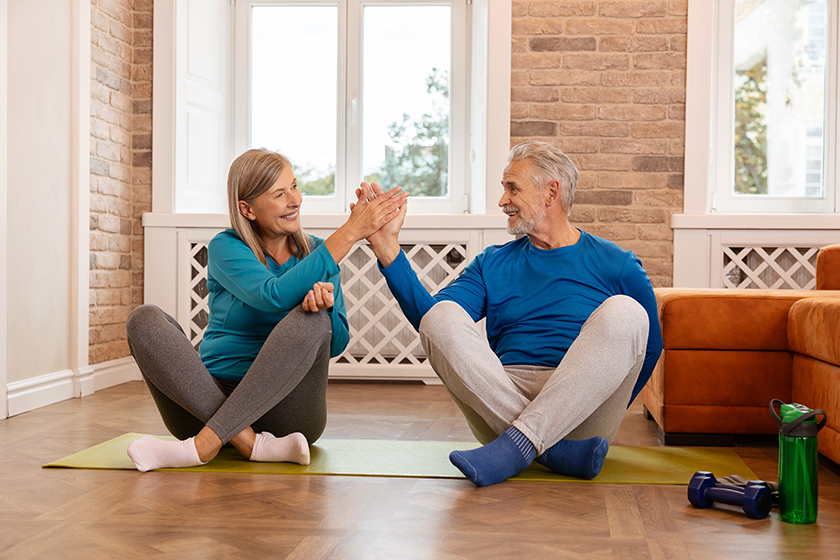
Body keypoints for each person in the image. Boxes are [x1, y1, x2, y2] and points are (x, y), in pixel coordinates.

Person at [359, 140, 663, 487]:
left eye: (512, 188)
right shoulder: (492, 263)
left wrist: (593, 397)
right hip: (500, 395)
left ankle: (523, 444)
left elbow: (649, 346)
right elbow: (434, 323)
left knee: (628, 313)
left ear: (551, 193)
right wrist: (387, 249)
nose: (503, 200)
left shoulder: (617, 263)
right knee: (441, 316)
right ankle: (550, 450)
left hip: (584, 411)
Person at [125, 148, 408, 472]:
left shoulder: (319, 252)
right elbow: (271, 295)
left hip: (288, 413)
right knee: (144, 319)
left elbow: (337, 344)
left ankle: (201, 447)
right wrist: (351, 231)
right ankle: (251, 444)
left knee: (313, 319)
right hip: (204, 403)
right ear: (247, 209)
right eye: (279, 193)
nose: (295, 200)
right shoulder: (226, 246)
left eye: (295, 186)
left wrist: (327, 311)